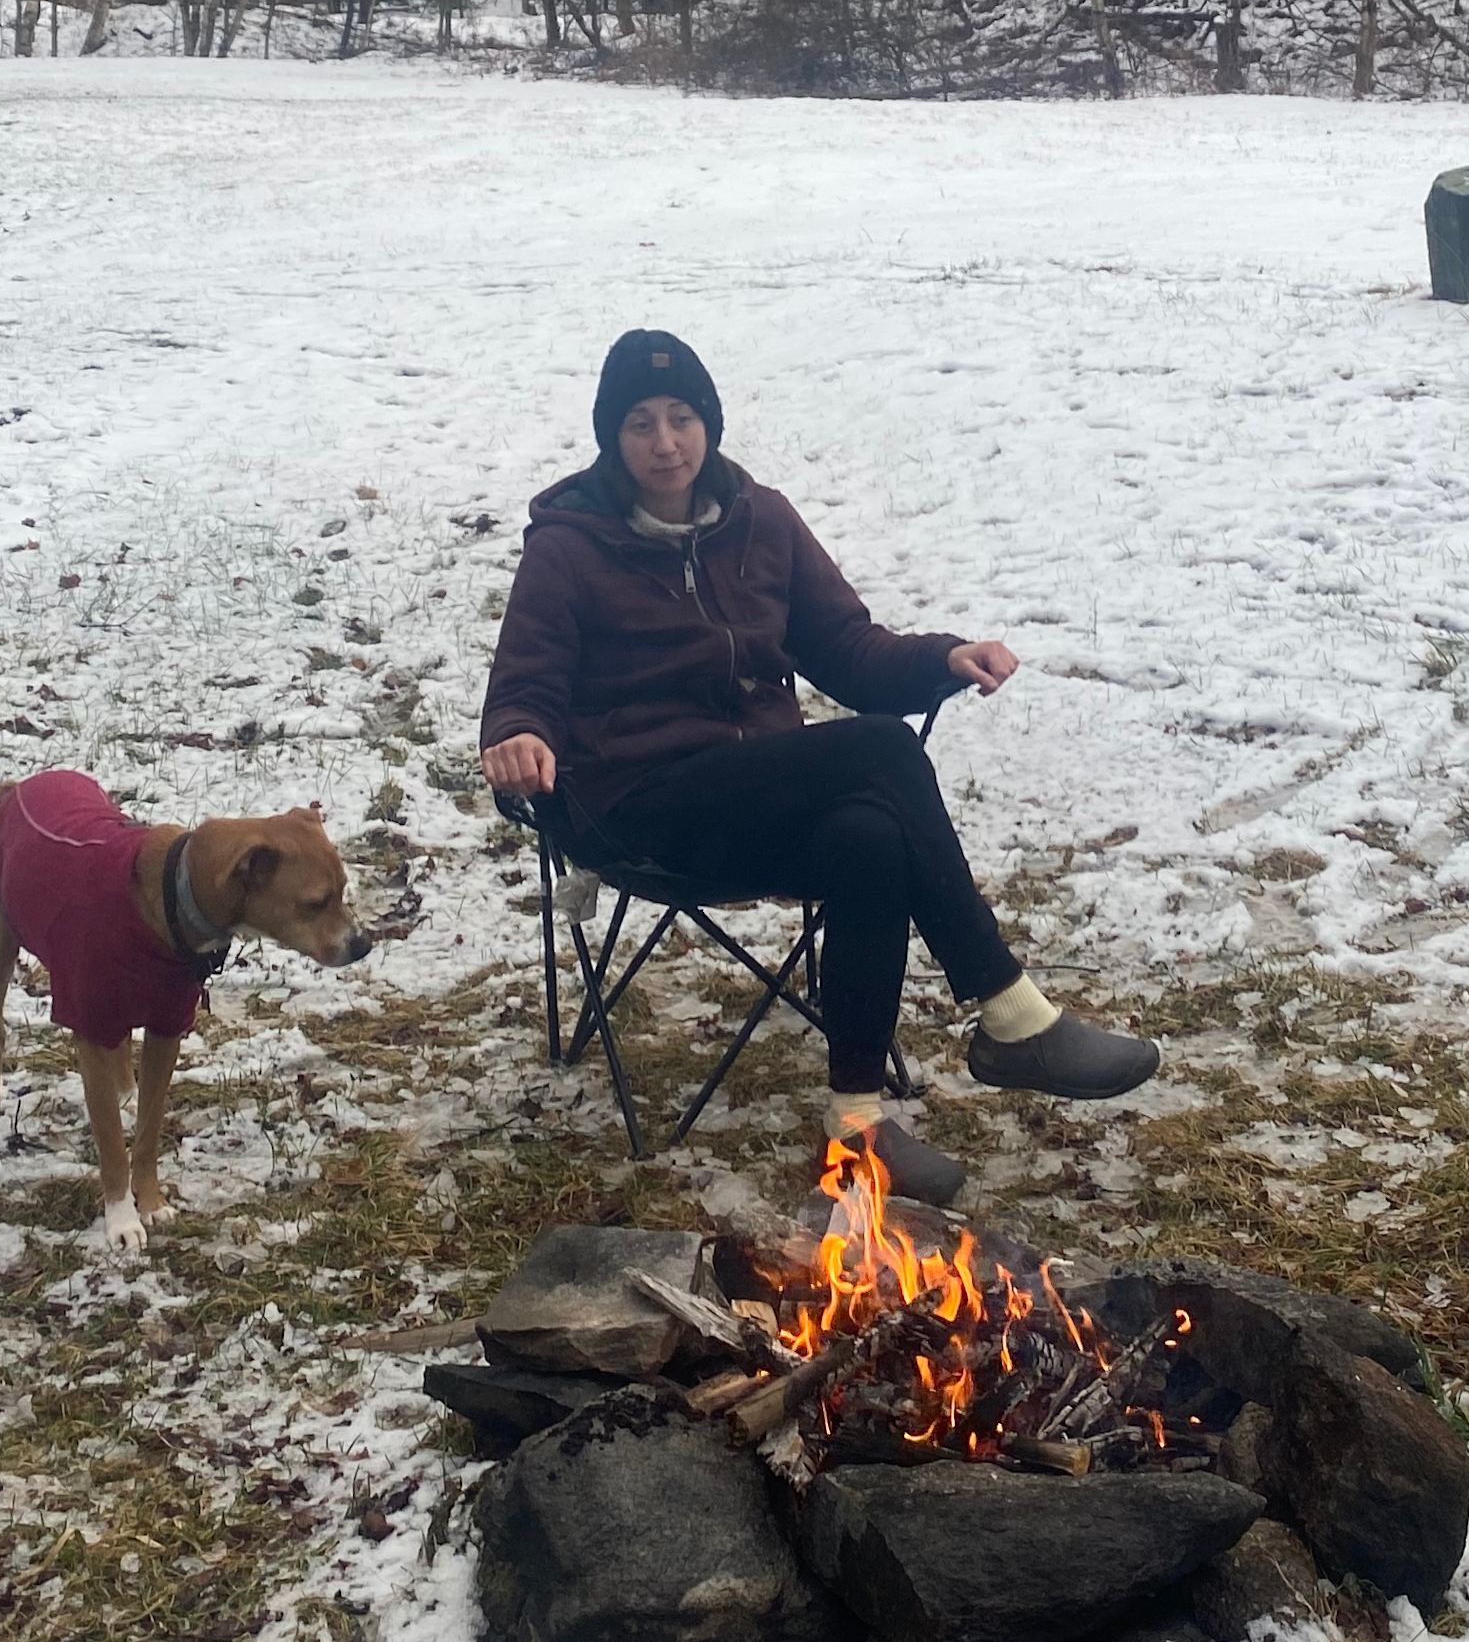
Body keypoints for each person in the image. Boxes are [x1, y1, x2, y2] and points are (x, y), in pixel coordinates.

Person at [479, 329, 1157, 1204]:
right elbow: (524, 682)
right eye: (640, 423)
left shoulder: (763, 520)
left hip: (753, 800)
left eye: (682, 418)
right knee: (877, 748)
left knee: (869, 834)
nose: (665, 442)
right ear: (612, 436)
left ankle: (857, 1128)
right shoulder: (570, 546)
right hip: (636, 805)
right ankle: (1009, 1011)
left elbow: (847, 649)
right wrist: (521, 734)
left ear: (709, 424)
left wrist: (944, 658)